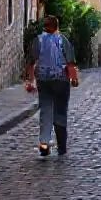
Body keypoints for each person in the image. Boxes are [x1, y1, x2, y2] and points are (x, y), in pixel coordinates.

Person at [24, 15, 79, 157]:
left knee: (45, 110)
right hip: (61, 80)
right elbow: (70, 62)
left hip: (43, 80)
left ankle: (44, 144)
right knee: (60, 111)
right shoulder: (63, 40)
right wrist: (74, 79)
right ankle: (61, 146)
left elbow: (31, 62)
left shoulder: (38, 40)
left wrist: (30, 80)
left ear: (45, 27)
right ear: (57, 27)